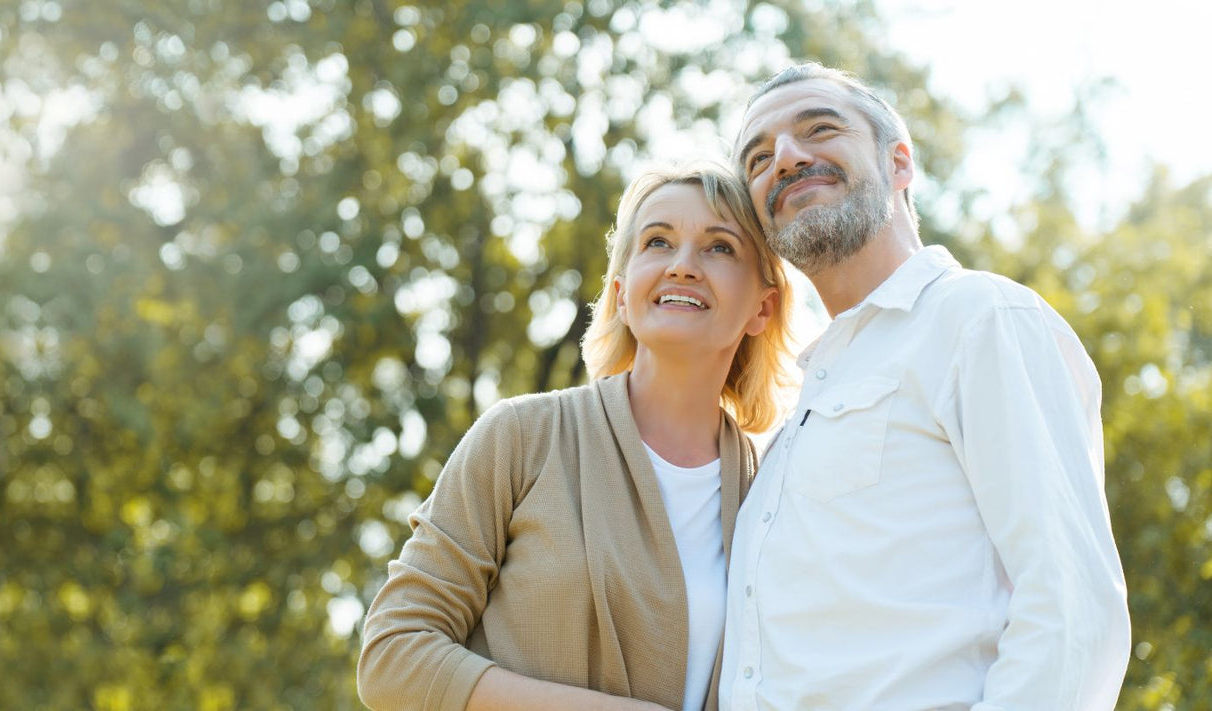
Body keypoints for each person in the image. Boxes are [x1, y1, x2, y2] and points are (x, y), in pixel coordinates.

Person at [719, 62, 1131, 710]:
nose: (786, 158)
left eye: (818, 129)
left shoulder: (979, 317)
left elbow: (1072, 607)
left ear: (900, 162)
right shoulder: (792, 417)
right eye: (758, 158)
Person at [358, 162, 795, 711]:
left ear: (763, 307)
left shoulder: (774, 491)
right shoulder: (522, 437)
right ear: (620, 291)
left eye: (720, 247)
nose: (683, 266)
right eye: (657, 242)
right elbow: (392, 654)